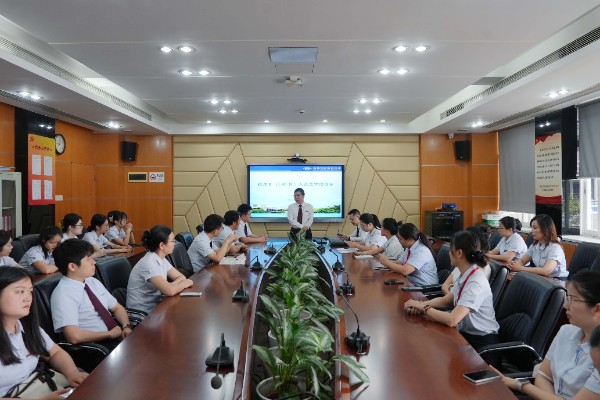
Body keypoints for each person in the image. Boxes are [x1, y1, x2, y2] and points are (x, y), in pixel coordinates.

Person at [492, 271, 600, 399]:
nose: (565, 305)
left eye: (572, 299)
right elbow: (543, 375)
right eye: (567, 298)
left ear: (597, 309)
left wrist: (521, 385)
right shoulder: (566, 331)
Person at [404, 230, 499, 354]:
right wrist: (420, 304)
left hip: (481, 345)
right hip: (465, 334)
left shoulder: (476, 282)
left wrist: (424, 308)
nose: (449, 253)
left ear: (459, 253)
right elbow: (445, 300)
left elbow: (452, 319)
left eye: (451, 250)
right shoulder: (465, 273)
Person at [0, 267, 88, 398]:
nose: (28, 298)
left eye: (30, 292)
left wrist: (72, 373)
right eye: (20, 291)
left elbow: (55, 353)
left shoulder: (27, 327)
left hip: (40, 384)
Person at [51, 239, 132, 352]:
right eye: (88, 259)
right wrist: (109, 334)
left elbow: (117, 308)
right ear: (72, 266)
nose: (94, 262)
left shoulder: (92, 281)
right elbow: (73, 336)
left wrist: (126, 326)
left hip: (116, 336)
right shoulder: (63, 294)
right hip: (97, 347)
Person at [126, 225, 194, 314]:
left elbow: (181, 277)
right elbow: (170, 291)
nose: (174, 243)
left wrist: (171, 286)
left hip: (156, 307)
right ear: (162, 245)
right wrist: (183, 284)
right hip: (142, 314)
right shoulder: (149, 263)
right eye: (172, 240)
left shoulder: (160, 258)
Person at [508, 214, 568, 279]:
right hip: (541, 277)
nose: (532, 231)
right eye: (531, 228)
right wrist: (514, 264)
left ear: (545, 229)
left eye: (535, 228)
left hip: (557, 280)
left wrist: (520, 268)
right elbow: (522, 261)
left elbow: (546, 271)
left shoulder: (555, 248)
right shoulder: (535, 246)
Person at [442, 225, 492, 294]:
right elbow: (445, 286)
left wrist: (452, 292)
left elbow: (461, 296)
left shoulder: (479, 271)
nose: (450, 253)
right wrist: (452, 293)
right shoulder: (464, 262)